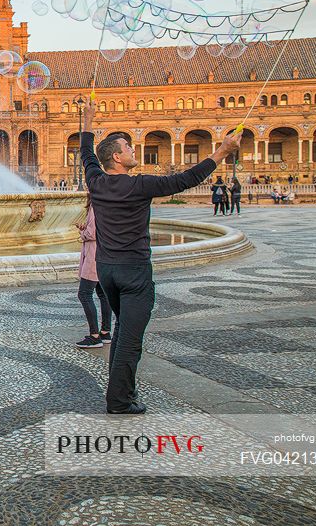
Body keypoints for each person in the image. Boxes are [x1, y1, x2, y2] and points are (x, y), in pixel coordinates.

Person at [80, 101, 240, 415]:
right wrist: (221, 152)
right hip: (135, 273)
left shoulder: (96, 181)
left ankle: (123, 391)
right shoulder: (140, 185)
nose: (132, 150)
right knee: (130, 339)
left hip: (107, 270)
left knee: (124, 329)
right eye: (128, 147)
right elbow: (186, 179)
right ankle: (119, 401)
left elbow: (86, 153)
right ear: (117, 157)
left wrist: (86, 121)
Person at [74, 196, 112, 349]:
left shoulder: (96, 205)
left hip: (94, 256)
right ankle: (105, 332)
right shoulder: (106, 202)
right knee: (103, 294)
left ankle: (94, 336)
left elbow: (93, 233)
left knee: (84, 294)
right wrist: (85, 227)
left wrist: (83, 234)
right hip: (103, 254)